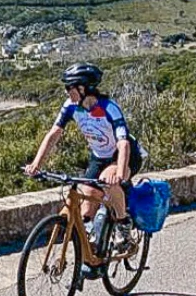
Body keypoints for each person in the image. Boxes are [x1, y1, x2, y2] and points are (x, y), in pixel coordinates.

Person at [24, 62, 144, 244]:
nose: (66, 92)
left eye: (68, 88)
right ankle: (93, 251)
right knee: (86, 207)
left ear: (82, 88)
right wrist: (36, 164)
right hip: (99, 156)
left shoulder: (108, 108)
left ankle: (122, 223)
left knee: (108, 182)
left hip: (123, 156)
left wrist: (119, 174)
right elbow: (54, 133)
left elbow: (123, 142)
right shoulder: (71, 106)